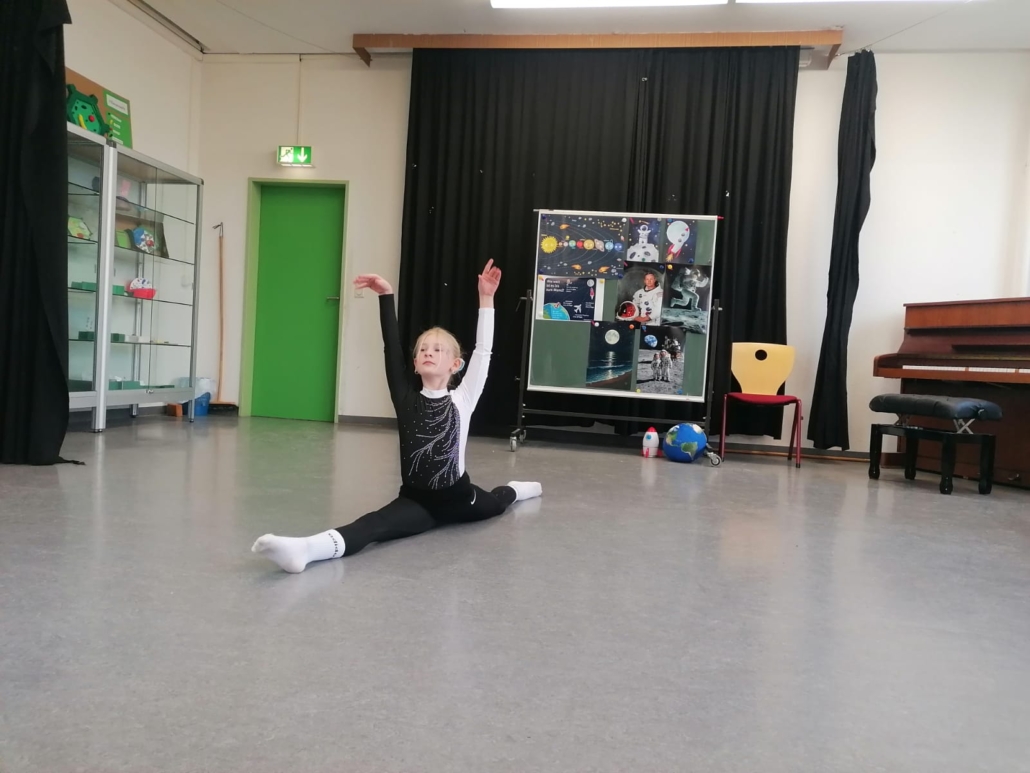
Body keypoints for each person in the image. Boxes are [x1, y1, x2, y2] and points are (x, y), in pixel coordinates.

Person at [252, 260, 542, 573]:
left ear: (455, 365)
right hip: (416, 501)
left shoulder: (463, 399)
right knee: (373, 525)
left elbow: (484, 351)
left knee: (497, 503)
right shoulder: (406, 399)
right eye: (423, 350)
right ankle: (304, 549)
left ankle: (520, 489)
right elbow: (391, 347)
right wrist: (385, 295)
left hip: (460, 497)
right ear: (415, 364)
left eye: (438, 350)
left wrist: (486, 299)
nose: (428, 352)